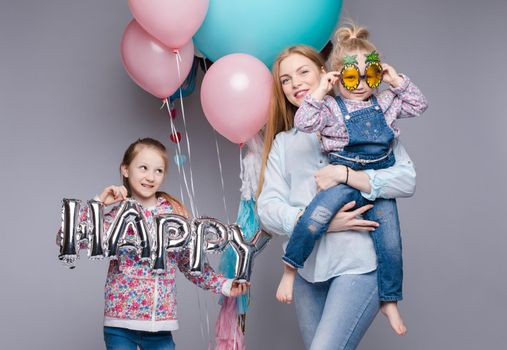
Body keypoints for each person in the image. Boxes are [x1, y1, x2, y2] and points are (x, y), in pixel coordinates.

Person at [257, 42, 417, 348]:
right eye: (285, 80)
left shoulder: (371, 124)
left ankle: (388, 299)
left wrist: (347, 175)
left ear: (325, 73)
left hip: (359, 264)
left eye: (303, 72)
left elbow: (406, 179)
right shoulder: (283, 143)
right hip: (307, 270)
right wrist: (318, 221)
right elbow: (267, 208)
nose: (295, 84)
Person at [59, 138, 248, 350]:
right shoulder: (115, 216)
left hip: (160, 325)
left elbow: (190, 263)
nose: (150, 177)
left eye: (158, 171)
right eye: (143, 168)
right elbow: (67, 240)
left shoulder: (174, 216)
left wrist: (224, 284)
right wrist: (99, 204)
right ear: (126, 169)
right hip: (120, 324)